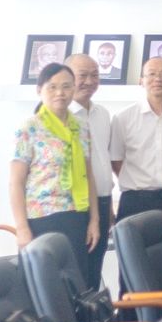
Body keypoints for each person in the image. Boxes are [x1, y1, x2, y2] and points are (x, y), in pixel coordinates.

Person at [10, 63, 99, 281]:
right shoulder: (29, 127)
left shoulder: (81, 127)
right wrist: (21, 228)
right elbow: (16, 183)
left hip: (76, 216)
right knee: (45, 285)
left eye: (66, 86)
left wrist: (94, 220)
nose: (60, 92)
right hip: (41, 219)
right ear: (39, 90)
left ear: (73, 89)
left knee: (77, 284)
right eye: (52, 87)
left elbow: (89, 177)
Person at [110, 57, 162, 225]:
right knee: (130, 243)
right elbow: (116, 160)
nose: (158, 79)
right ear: (141, 81)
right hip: (135, 200)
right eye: (151, 74)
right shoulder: (123, 118)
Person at [64, 54, 114, 290]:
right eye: (82, 75)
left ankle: (93, 314)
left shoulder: (102, 113)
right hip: (75, 207)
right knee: (74, 272)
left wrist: (109, 205)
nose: (90, 81)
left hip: (102, 202)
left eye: (95, 75)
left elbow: (104, 160)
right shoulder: (61, 115)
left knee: (95, 268)